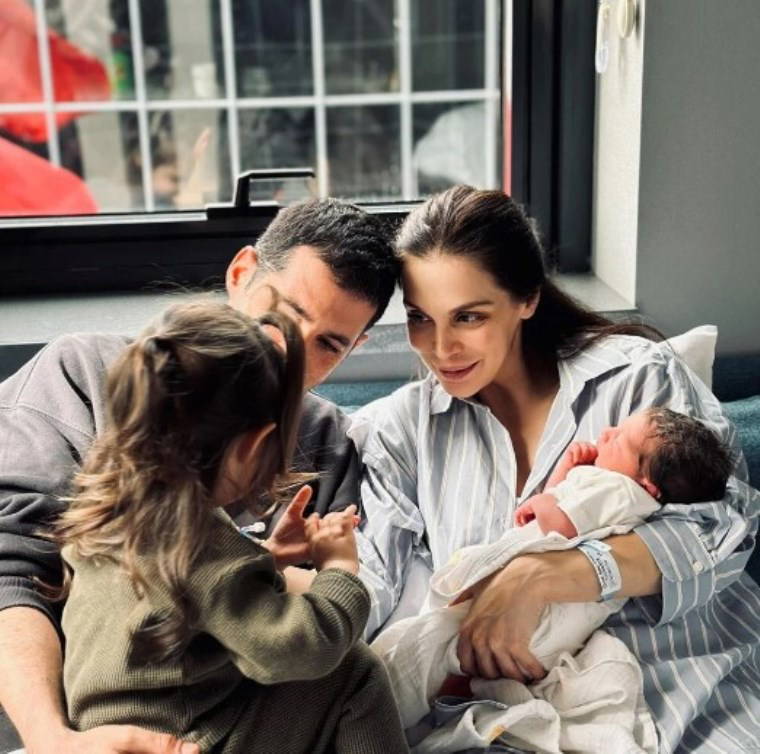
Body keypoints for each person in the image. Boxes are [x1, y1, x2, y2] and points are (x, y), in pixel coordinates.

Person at [350, 185, 760, 752]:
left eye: (468, 316)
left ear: (527, 299)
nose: (440, 348)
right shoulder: (401, 430)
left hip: (686, 689)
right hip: (519, 717)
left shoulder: (636, 379)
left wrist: (538, 576)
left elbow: (723, 529)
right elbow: (370, 577)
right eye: (421, 318)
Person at [0, 197, 398, 754]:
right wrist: (53, 740)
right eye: (280, 317)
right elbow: (11, 565)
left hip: (217, 702)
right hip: (69, 723)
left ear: (357, 347)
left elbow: (252, 612)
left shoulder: (329, 443)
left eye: (330, 344)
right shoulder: (82, 373)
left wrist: (270, 563)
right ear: (241, 272)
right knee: (358, 672)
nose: (291, 355)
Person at [52, 300, 407, 754]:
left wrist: (266, 559)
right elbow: (297, 649)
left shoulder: (110, 501)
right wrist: (339, 570)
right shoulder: (202, 544)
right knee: (353, 671)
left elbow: (181, 597)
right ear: (253, 446)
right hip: (184, 739)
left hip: (100, 727)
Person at [370, 408, 733, 731]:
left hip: (544, 613)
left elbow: (560, 523)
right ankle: (430, 702)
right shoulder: (622, 493)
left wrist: (548, 496)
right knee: (457, 659)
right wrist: (565, 473)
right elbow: (565, 506)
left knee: (421, 648)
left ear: (647, 484)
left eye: (619, 439)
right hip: (554, 625)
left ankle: (378, 715)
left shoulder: (618, 489)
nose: (607, 433)